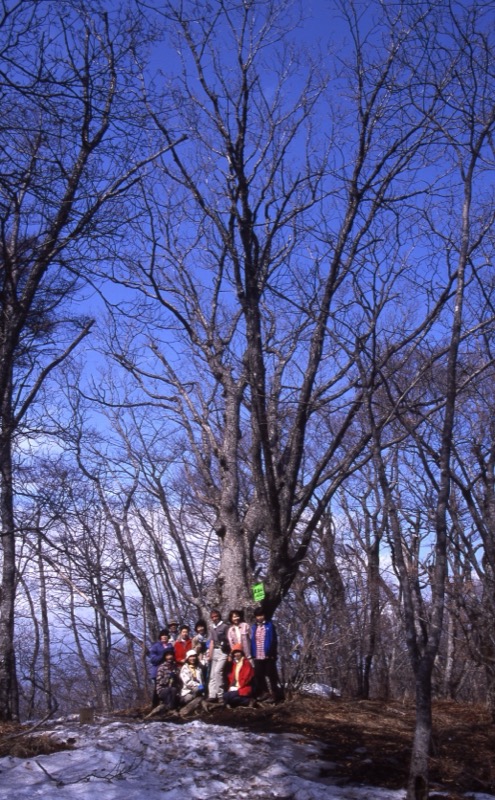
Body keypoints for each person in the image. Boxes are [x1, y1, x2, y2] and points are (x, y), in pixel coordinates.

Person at [250, 606, 284, 702]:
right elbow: (252, 641)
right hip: (257, 654)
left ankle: (275, 694)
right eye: (258, 616)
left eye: (261, 615)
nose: (259, 617)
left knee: (271, 675)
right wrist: (252, 653)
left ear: (264, 615)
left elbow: (273, 640)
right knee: (258, 675)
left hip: (268, 655)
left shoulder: (269, 625)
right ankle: (265, 693)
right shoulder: (254, 627)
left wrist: (272, 653)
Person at [207, 608, 229, 702]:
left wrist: (230, 653)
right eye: (212, 617)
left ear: (219, 616)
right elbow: (212, 641)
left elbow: (229, 640)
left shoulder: (225, 626)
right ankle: (212, 695)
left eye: (216, 616)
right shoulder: (212, 628)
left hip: (223, 651)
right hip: (215, 651)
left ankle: (220, 694)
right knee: (212, 674)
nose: (214, 618)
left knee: (217, 671)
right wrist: (210, 654)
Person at [148, 629, 174, 707]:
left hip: (169, 670)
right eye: (163, 635)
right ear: (160, 637)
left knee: (170, 687)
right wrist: (163, 656)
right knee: (157, 690)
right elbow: (153, 659)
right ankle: (155, 706)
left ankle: (169, 704)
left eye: (166, 635)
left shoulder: (171, 646)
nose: (164, 637)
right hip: (157, 671)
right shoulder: (155, 646)